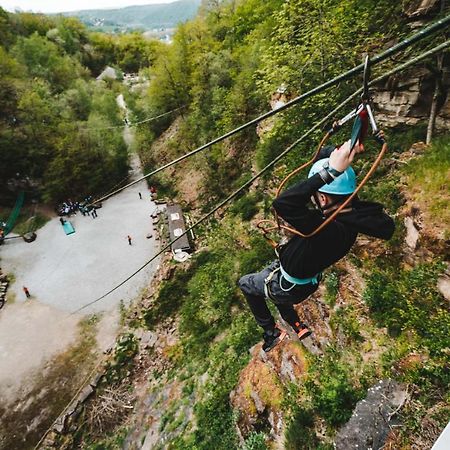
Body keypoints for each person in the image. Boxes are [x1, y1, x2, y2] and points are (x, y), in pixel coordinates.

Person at [238, 136, 395, 352]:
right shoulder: (350, 215)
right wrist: (341, 151)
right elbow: (323, 172)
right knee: (270, 285)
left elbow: (283, 203)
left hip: (290, 284)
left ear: (322, 199)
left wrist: (330, 172)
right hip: (300, 278)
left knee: (246, 283)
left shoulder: (324, 229)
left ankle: (271, 333)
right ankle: (296, 324)